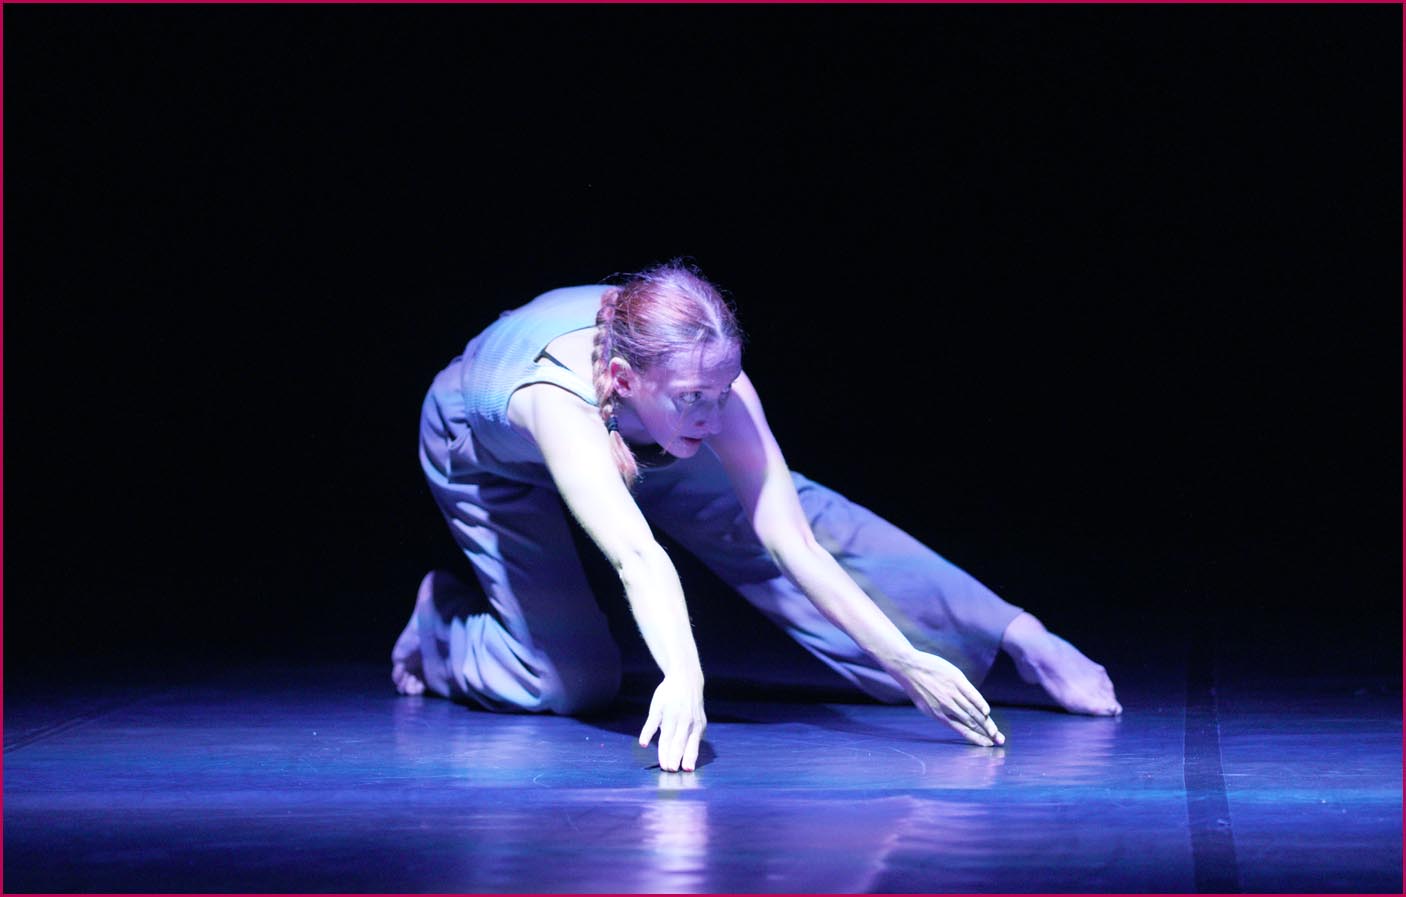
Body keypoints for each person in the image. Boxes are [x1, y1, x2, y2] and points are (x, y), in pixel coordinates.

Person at [392, 261, 1121, 772]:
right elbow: (637, 557)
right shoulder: (559, 401)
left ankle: (1014, 633)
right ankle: (441, 630)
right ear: (623, 378)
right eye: (696, 398)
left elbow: (795, 540)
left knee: (804, 513)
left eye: (724, 390)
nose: (716, 415)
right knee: (571, 681)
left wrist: (904, 659)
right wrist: (684, 675)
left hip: (644, 429)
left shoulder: (703, 383)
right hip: (486, 454)